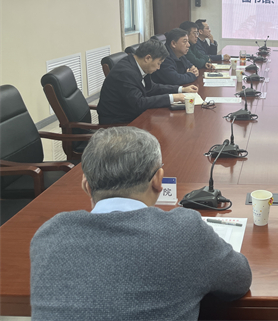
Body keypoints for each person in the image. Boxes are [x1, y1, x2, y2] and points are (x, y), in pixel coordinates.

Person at [30, 127, 252, 320]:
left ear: (86, 186)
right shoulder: (184, 232)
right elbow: (238, 281)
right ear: (158, 180)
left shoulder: (49, 235)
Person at [97, 39, 198, 124]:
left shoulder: (137, 65)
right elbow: (139, 103)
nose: (158, 68)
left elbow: (151, 88)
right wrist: (172, 98)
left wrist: (181, 89)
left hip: (132, 114)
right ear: (148, 58)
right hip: (119, 122)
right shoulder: (126, 72)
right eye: (158, 63)